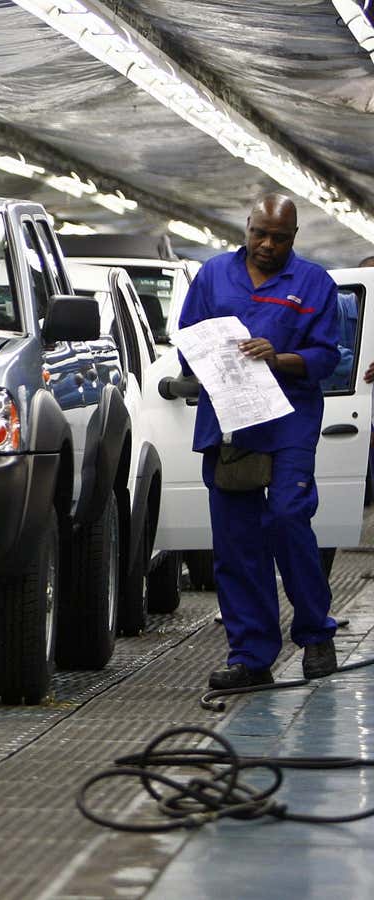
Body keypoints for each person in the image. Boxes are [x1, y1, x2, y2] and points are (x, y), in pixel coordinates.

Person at [180, 194, 342, 690]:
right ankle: (251, 657)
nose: (268, 245)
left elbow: (326, 357)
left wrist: (279, 356)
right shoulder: (212, 276)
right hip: (230, 421)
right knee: (236, 540)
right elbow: (189, 339)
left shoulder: (314, 282)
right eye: (260, 234)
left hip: (290, 418)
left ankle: (315, 631)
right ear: (246, 227)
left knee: (289, 517)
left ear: (294, 238)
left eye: (280, 237)